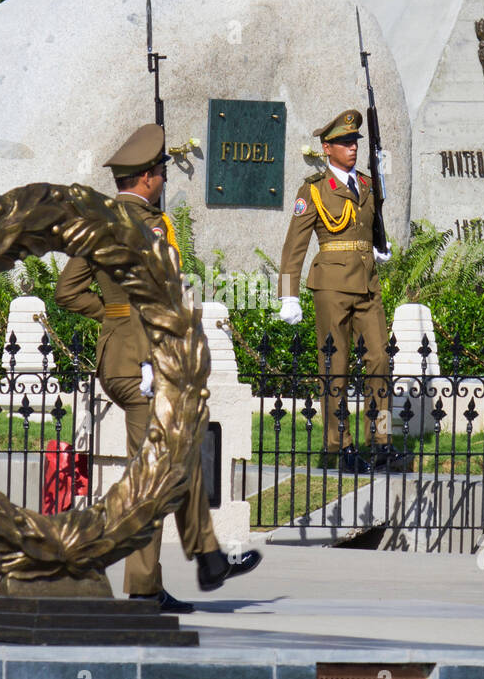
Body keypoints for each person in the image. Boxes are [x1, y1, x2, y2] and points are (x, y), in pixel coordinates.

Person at [54, 123, 261, 613]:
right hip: (143, 365)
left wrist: (112, 314)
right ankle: (144, 588)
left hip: (127, 358)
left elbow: (66, 291)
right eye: (160, 174)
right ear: (146, 178)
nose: (163, 181)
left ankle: (209, 559)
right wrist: (132, 325)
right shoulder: (146, 225)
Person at [277, 109, 401, 473]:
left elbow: (370, 227)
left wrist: (379, 244)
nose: (352, 148)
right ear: (326, 148)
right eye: (345, 143)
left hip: (368, 284)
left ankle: (380, 440)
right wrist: (288, 294)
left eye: (355, 142)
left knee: (379, 360)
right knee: (335, 366)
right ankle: (340, 444)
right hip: (331, 286)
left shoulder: (365, 185)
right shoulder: (313, 189)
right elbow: (293, 247)